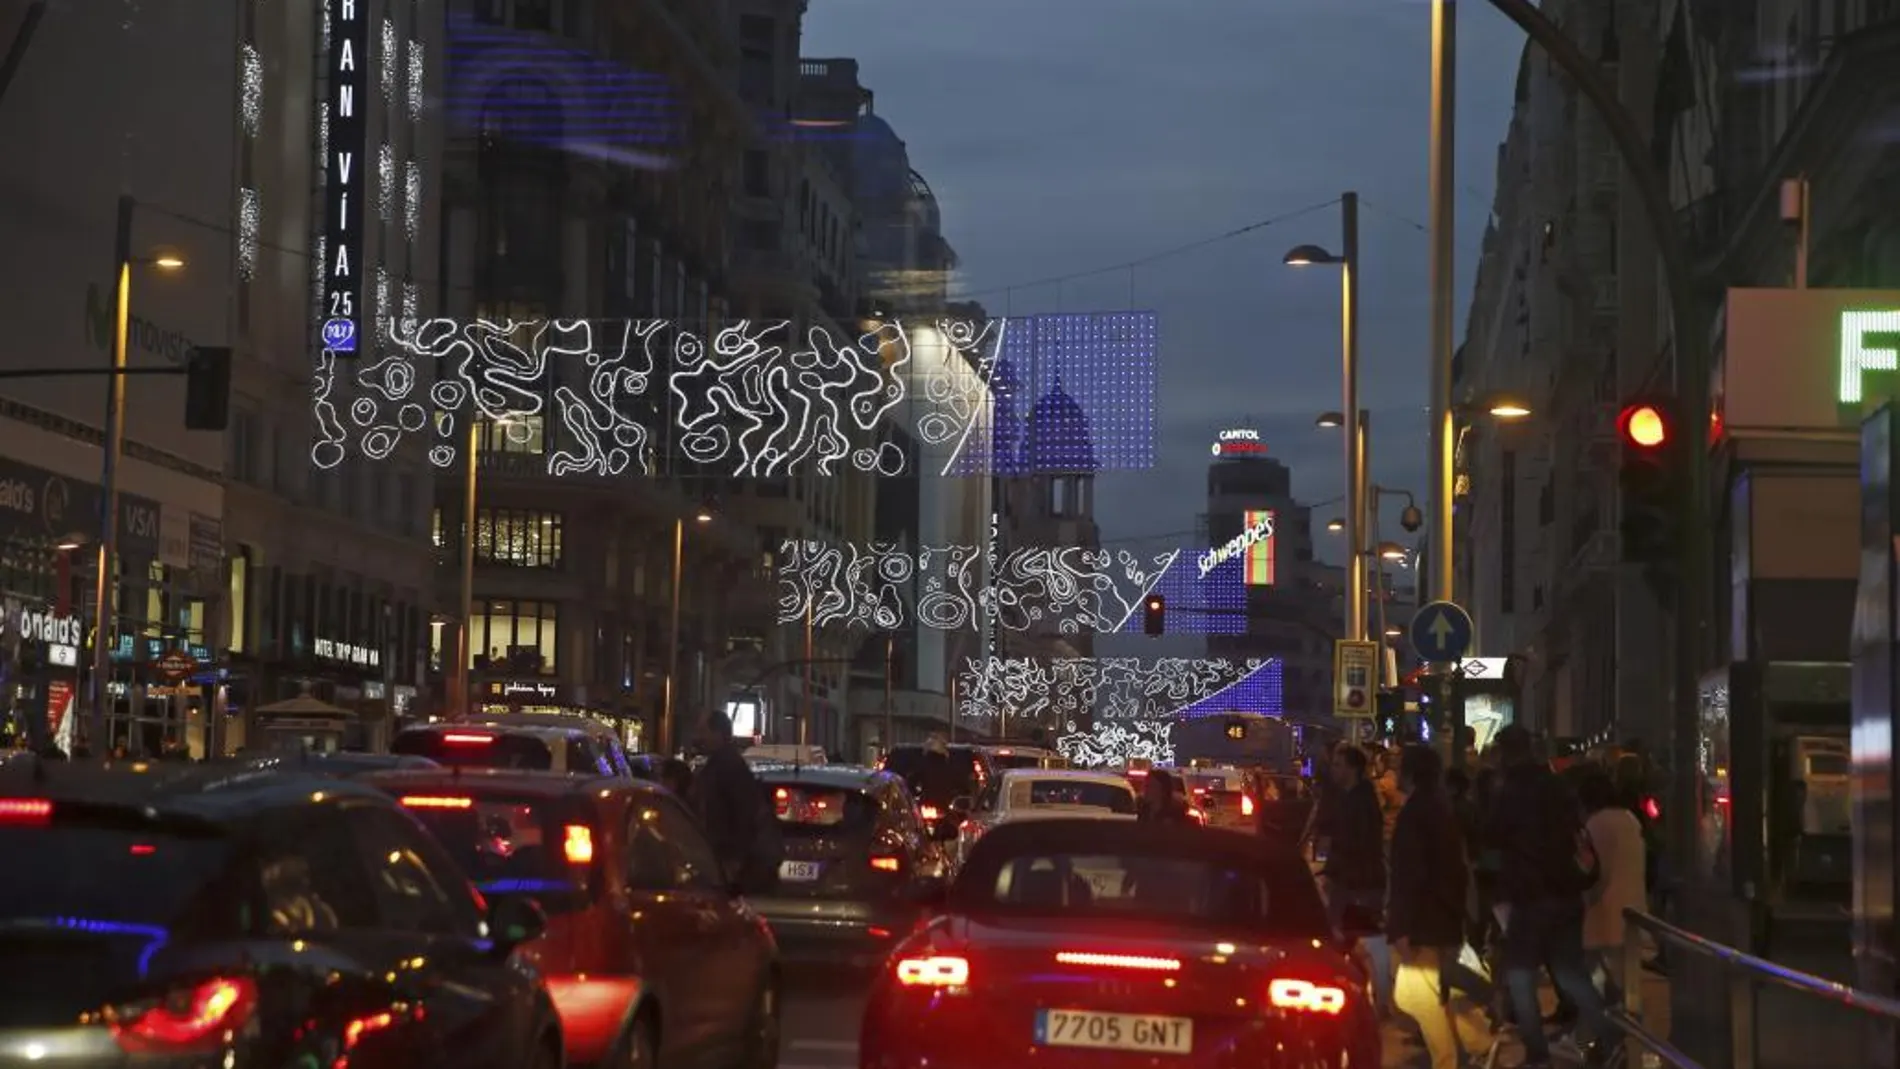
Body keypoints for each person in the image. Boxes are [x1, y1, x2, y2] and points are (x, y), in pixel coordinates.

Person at [1486, 725, 1608, 1067]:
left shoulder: (1510, 791)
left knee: (1521, 973)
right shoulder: (1557, 785)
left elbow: (1492, 835)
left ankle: (1537, 1052)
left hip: (1530, 895)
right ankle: (1611, 1038)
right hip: (1566, 893)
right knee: (1570, 971)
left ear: (1507, 754)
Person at [1388, 745, 1494, 1069]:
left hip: (1423, 921)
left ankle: (1451, 1059)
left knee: (1418, 994)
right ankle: (1481, 1043)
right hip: (1441, 916)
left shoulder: (1416, 812)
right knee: (1431, 992)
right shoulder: (1439, 807)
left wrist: (1401, 926)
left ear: (1410, 773)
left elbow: (1410, 874)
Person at [1321, 745, 1392, 1015]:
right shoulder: (1352, 797)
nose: (1333, 770)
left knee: (1366, 939)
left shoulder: (1359, 801)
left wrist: (1335, 872)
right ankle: (1358, 994)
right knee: (1349, 937)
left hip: (1358, 881)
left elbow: (1356, 843)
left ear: (1352, 769)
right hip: (1352, 879)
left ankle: (1377, 1000)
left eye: (1338, 765)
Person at [1579, 766, 1646, 1001]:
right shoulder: (1629, 819)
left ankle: (1600, 1029)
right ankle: (1627, 1022)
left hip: (1605, 907)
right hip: (1632, 905)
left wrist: (1587, 901)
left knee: (1597, 975)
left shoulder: (1596, 824)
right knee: (1625, 976)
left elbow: (1596, 870)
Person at [688, 710, 774, 890]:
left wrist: (733, 860)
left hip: (724, 861)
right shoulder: (720, 765)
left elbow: (743, 815)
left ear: (718, 734)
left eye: (703, 731)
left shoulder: (728, 768)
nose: (698, 737)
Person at [910, 733, 965, 810]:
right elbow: (961, 785)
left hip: (926, 805)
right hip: (945, 805)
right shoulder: (950, 767)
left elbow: (911, 782)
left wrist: (916, 794)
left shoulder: (922, 765)